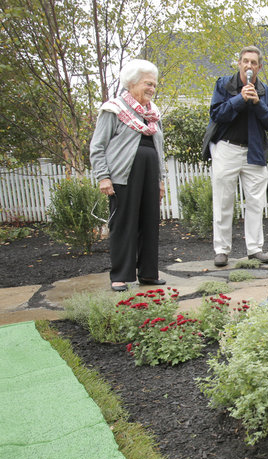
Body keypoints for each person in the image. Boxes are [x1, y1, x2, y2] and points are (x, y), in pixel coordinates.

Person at [90, 59, 166, 291]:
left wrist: (160, 180)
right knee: (123, 225)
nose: (152, 89)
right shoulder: (113, 109)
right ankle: (120, 276)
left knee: (150, 223)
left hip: (150, 174)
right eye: (147, 84)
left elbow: (159, 150)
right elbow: (97, 146)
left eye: (154, 84)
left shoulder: (152, 114)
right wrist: (103, 176)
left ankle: (148, 274)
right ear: (132, 83)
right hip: (123, 175)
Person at [206, 46, 268, 267]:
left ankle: (255, 249)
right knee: (223, 201)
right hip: (226, 148)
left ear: (259, 67)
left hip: (254, 151)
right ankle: (221, 250)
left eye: (254, 63)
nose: (249, 66)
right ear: (239, 63)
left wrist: (258, 104)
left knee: (256, 202)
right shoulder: (224, 85)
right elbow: (217, 114)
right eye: (245, 61)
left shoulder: (267, 92)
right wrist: (239, 99)